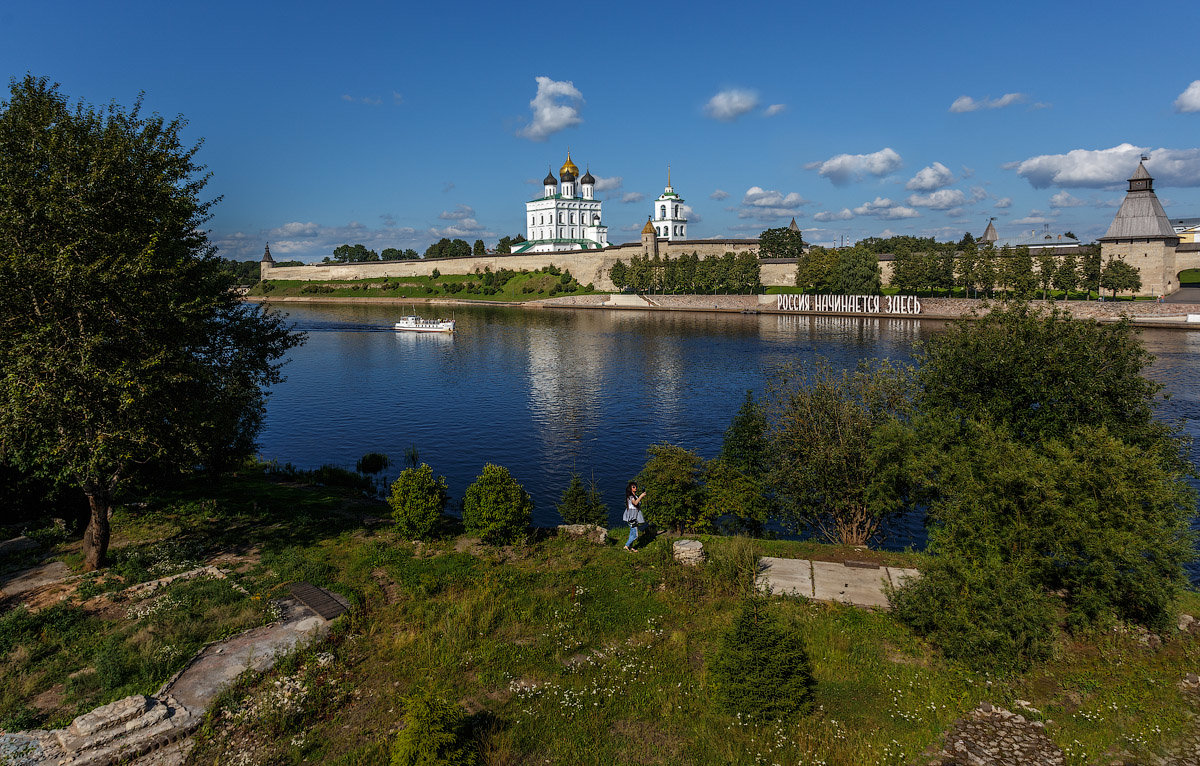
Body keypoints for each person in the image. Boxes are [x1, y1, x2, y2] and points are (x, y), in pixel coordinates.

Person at [623, 481, 646, 552]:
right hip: (632, 517)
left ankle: (630, 547)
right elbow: (635, 503)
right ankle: (626, 546)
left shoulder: (634, 496)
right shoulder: (630, 497)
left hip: (634, 516)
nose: (635, 488)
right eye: (633, 487)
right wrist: (641, 496)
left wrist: (640, 497)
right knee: (635, 535)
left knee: (632, 533)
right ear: (630, 488)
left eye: (635, 486)